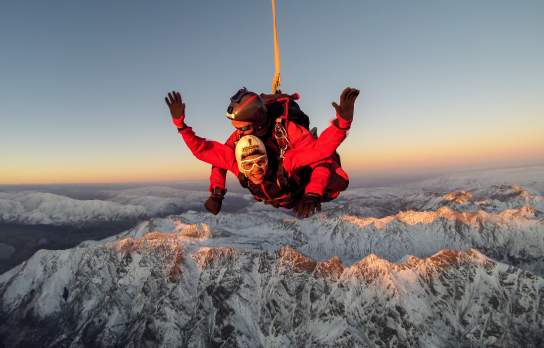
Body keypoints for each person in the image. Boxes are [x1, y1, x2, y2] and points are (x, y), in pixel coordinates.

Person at [165, 88, 358, 217]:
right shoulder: (238, 143)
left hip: (299, 187)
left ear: (256, 122)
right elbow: (212, 155)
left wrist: (312, 193)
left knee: (340, 180)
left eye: (243, 127)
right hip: (278, 196)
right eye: (248, 164)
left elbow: (320, 153)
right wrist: (216, 193)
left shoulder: (287, 142)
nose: (237, 133)